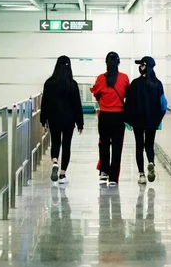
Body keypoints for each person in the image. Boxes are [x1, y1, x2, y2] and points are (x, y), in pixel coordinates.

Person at [40, 55, 84, 184]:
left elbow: (45, 103)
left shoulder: (49, 83)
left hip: (54, 118)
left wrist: (43, 119)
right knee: (66, 145)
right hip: (69, 120)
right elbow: (77, 104)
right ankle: (63, 174)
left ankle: (54, 161)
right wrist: (80, 123)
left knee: (55, 142)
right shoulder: (72, 84)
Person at [124, 56, 167, 184]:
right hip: (151, 121)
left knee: (139, 146)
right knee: (149, 144)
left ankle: (142, 175)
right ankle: (151, 162)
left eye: (141, 65)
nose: (140, 67)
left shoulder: (135, 84)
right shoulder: (157, 84)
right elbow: (163, 104)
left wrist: (128, 121)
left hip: (138, 121)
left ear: (144, 67)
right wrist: (158, 119)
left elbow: (129, 103)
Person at [90, 52, 129, 186]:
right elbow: (127, 95)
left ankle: (104, 172)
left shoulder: (101, 78)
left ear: (106, 63)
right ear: (118, 63)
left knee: (104, 144)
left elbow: (95, 93)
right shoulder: (124, 78)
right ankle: (113, 178)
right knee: (117, 147)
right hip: (119, 116)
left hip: (104, 117)